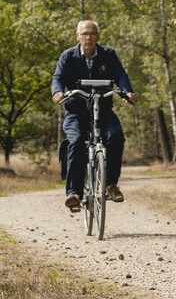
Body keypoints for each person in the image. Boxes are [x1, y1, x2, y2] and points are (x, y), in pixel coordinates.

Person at [51, 19, 137, 212]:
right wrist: (57, 92)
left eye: (92, 33)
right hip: (76, 111)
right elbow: (58, 78)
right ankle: (74, 192)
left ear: (98, 36)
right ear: (78, 37)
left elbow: (121, 75)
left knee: (115, 136)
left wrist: (127, 92)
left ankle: (111, 185)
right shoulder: (68, 56)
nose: (88, 37)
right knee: (76, 141)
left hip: (103, 110)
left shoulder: (108, 55)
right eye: (84, 34)